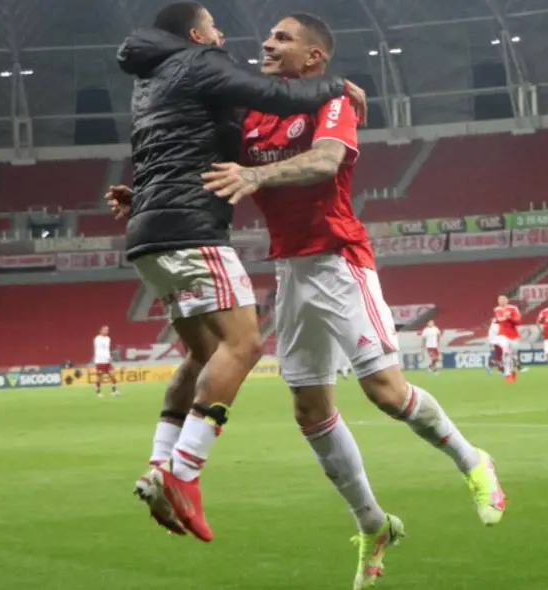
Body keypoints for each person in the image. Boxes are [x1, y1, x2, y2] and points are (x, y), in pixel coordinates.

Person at [200, 14, 505, 588]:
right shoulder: (253, 115)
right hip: (291, 270)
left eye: (283, 38)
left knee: (384, 392)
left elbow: (324, 161)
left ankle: (474, 461)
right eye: (269, 35)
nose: (267, 43)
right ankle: (373, 525)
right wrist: (141, 193)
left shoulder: (331, 103)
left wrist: (255, 176)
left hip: (340, 260)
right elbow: (205, 158)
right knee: (309, 411)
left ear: (314, 58)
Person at [109, 1, 368, 543]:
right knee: (245, 346)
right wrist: (339, 86)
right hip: (191, 229)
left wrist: (143, 200)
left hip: (148, 234)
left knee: (203, 355)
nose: (225, 35)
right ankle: (183, 474)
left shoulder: (150, 79)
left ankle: (158, 466)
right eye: (215, 26)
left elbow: (166, 149)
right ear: (198, 33)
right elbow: (275, 94)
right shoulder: (200, 61)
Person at [493, 295, 521, 382]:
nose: (500, 301)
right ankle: (507, 374)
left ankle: (512, 372)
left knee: (512, 355)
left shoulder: (513, 308)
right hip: (502, 335)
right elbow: (499, 320)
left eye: (502, 299)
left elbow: (518, 322)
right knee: (505, 353)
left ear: (507, 300)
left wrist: (510, 318)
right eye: (499, 300)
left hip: (513, 335)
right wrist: (495, 321)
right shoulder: (496, 310)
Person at [93, 325, 119, 397]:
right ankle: (98, 392)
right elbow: (100, 350)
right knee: (99, 377)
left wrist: (109, 357)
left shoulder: (108, 338)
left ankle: (113, 391)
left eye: (107, 330)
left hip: (107, 361)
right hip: (100, 361)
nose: (106, 331)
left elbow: (106, 349)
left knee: (113, 375)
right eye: (104, 330)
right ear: (100, 331)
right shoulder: (97, 339)